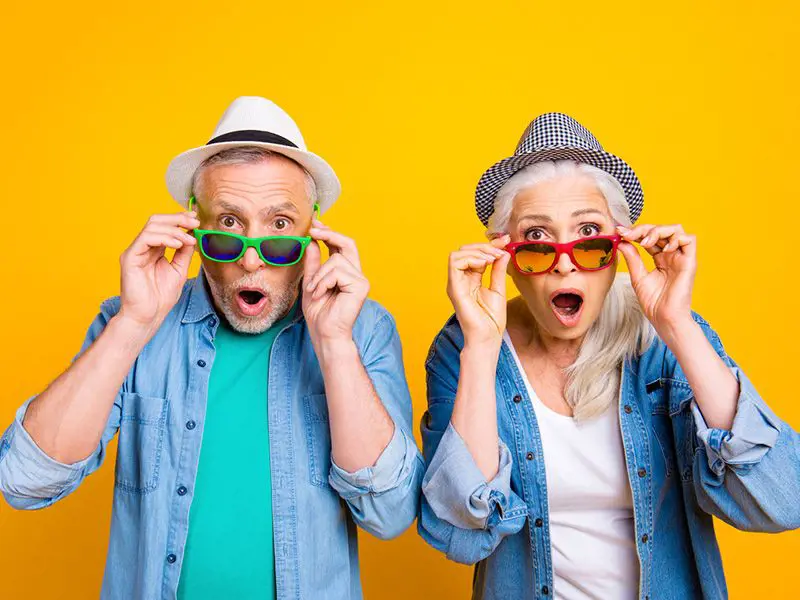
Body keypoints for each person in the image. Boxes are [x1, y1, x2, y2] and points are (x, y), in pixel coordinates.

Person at [0, 96, 423, 600]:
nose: (250, 259)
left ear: (316, 233)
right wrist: (133, 323)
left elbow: (391, 512)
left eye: (280, 225)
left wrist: (333, 344)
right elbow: (25, 481)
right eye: (228, 224)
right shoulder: (132, 323)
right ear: (193, 229)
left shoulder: (364, 331)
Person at [418, 112, 800, 599]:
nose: (562, 262)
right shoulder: (463, 345)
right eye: (535, 241)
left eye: (590, 239)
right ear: (505, 259)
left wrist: (677, 324)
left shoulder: (664, 340)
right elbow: (461, 531)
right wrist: (482, 346)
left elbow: (783, 500)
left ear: (620, 249)